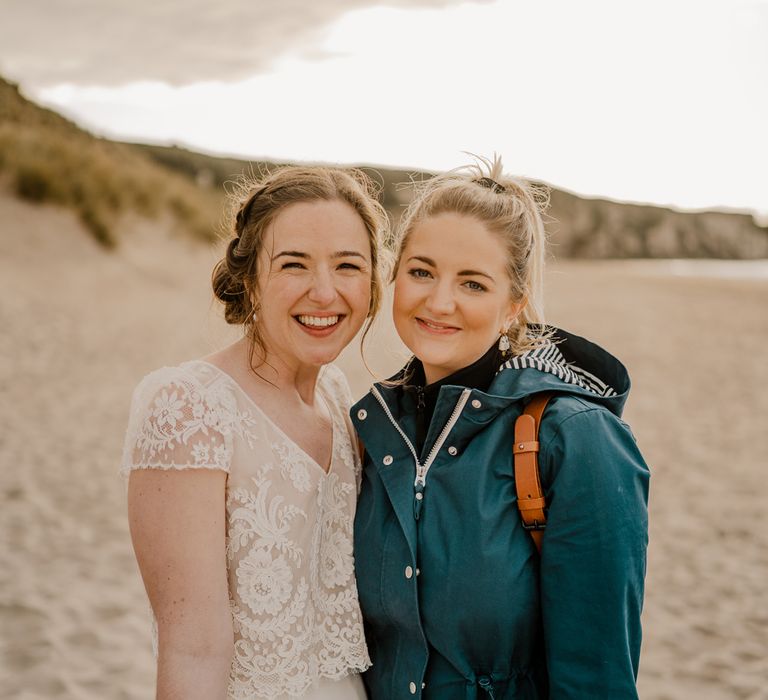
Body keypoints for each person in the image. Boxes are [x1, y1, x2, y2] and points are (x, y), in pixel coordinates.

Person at [351, 156, 650, 699]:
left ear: (513, 305)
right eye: (422, 271)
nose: (439, 302)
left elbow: (598, 680)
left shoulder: (576, 439)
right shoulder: (374, 430)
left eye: (473, 283)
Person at [121, 165, 388, 700]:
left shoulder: (337, 398)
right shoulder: (191, 408)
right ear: (249, 278)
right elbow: (192, 650)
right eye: (294, 264)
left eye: (348, 266)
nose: (324, 291)